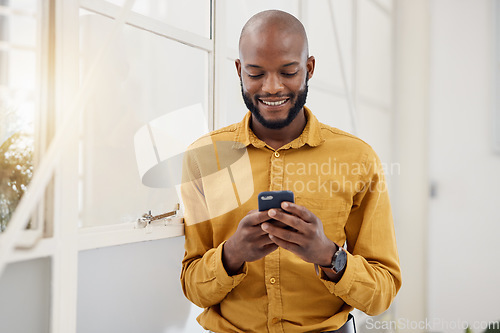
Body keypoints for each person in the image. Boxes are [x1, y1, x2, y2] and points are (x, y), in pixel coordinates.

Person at [180, 9, 401, 333]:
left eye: (288, 72)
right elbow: (193, 287)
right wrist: (233, 253)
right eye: (256, 74)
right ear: (239, 71)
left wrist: (328, 255)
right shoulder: (204, 157)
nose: (272, 87)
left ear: (309, 69)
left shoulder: (358, 159)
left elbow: (382, 294)